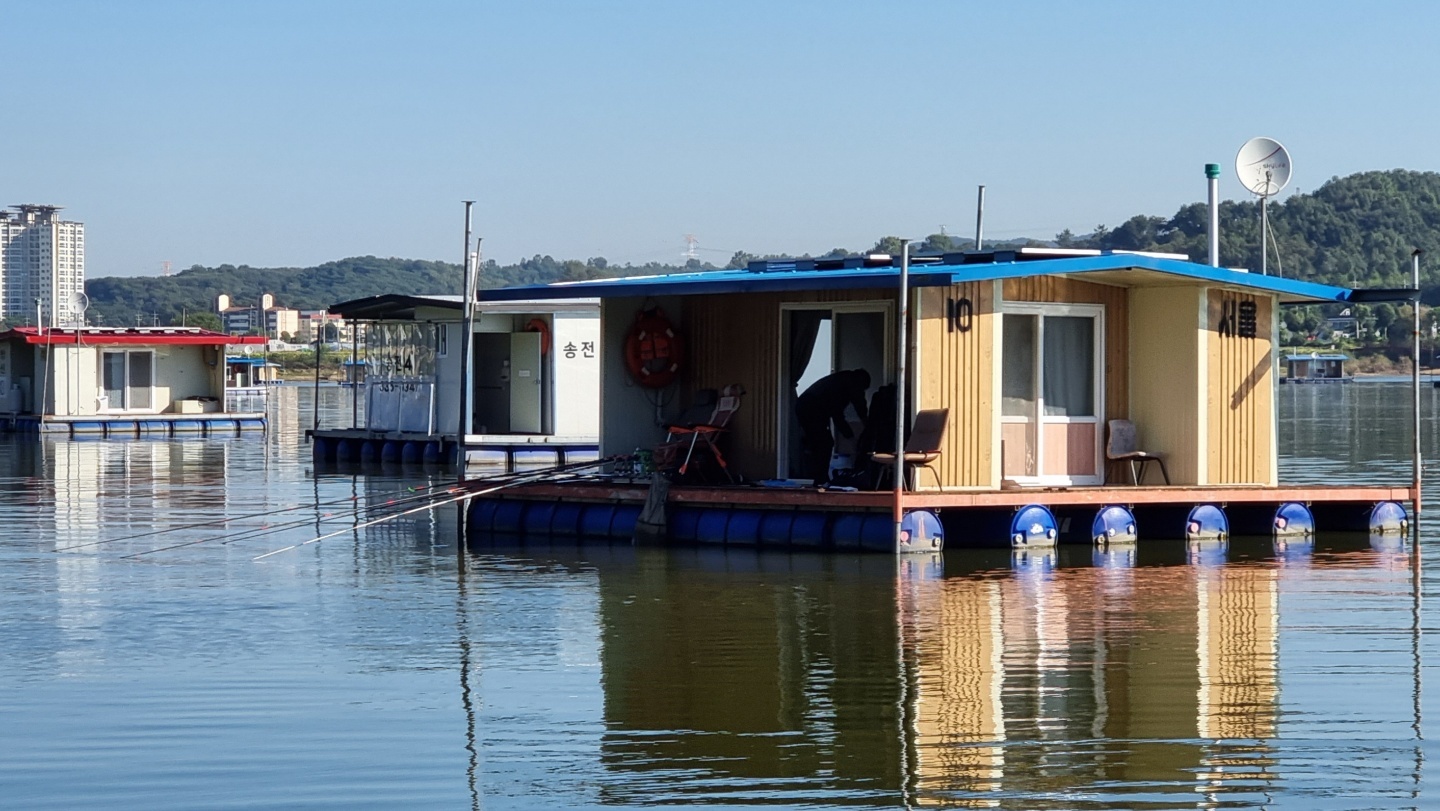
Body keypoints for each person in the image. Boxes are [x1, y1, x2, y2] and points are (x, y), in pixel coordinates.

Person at [796, 369, 870, 484]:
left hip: (806, 405)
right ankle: (820, 478)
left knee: (819, 443)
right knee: (824, 443)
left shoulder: (843, 380)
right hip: (810, 407)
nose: (861, 393)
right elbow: (840, 414)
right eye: (862, 390)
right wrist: (851, 436)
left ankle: (819, 477)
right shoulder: (848, 385)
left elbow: (856, 407)